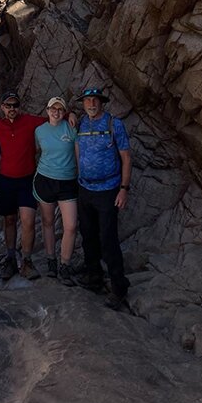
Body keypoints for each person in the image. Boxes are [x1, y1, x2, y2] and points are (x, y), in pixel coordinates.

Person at [74, 86, 132, 310]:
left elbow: (126, 158)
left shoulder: (113, 124)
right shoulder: (80, 123)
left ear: (102, 103)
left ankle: (119, 287)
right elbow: (78, 150)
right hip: (85, 189)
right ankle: (94, 276)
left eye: (95, 100)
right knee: (88, 235)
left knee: (108, 239)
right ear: (83, 104)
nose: (91, 104)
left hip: (108, 190)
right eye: (87, 101)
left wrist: (124, 188)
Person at [0, 91, 47, 281]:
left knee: (27, 221)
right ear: (2, 107)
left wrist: (71, 115)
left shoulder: (29, 121)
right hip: (6, 180)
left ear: (19, 107)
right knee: (9, 220)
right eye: (8, 105)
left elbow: (52, 118)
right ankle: (10, 259)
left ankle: (26, 261)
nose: (12, 109)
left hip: (27, 180)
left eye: (15, 105)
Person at [33, 96, 78, 285]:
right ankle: (51, 260)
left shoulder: (71, 128)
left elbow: (78, 153)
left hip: (68, 182)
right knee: (48, 222)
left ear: (64, 111)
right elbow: (36, 152)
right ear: (47, 109)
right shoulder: (39, 131)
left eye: (60, 109)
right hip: (45, 180)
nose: (56, 112)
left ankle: (65, 264)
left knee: (71, 226)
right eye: (53, 108)